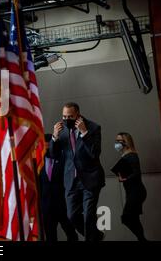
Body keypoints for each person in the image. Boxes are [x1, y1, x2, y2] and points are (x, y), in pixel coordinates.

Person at [48, 102, 105, 241]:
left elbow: (94, 153)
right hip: (71, 180)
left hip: (90, 179)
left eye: (70, 116)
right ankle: (96, 237)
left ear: (78, 115)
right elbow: (53, 155)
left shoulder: (93, 127)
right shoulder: (61, 130)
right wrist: (54, 137)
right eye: (64, 116)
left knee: (88, 216)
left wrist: (85, 133)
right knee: (72, 216)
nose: (66, 119)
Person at [40, 134, 78, 242]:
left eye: (48, 145)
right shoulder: (38, 163)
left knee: (71, 234)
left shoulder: (64, 160)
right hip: (47, 208)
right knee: (51, 237)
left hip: (64, 205)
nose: (46, 148)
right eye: (44, 145)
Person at [114, 132, 148, 241]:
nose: (117, 143)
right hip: (131, 192)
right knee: (134, 218)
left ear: (126, 142)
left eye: (119, 141)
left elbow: (137, 173)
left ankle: (143, 240)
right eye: (116, 140)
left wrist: (125, 179)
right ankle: (142, 239)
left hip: (137, 192)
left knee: (126, 218)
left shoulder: (132, 155)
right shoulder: (125, 156)